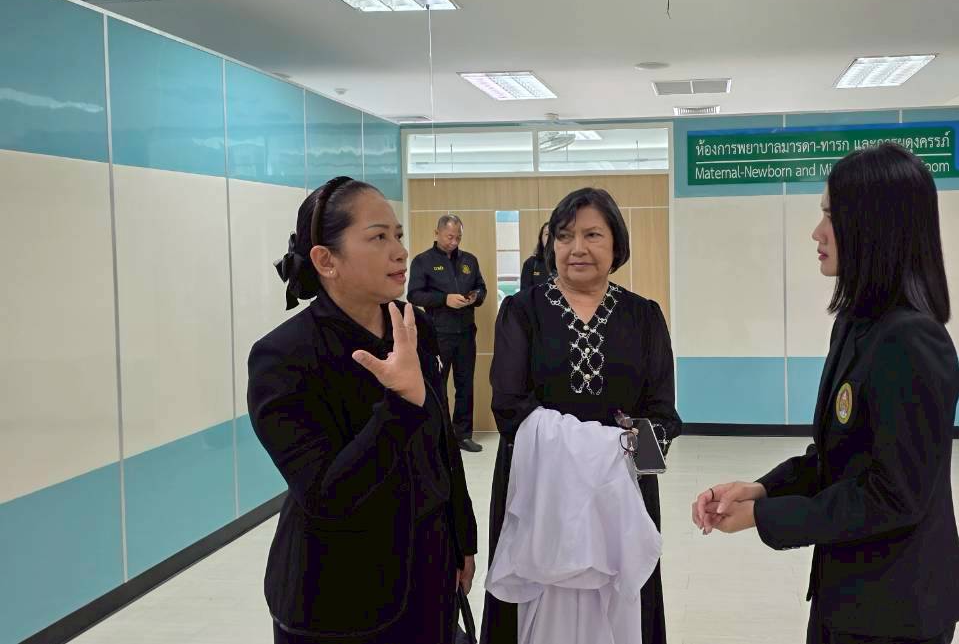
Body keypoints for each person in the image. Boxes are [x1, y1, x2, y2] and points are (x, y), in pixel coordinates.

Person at [691, 144, 959, 644]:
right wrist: (761, 490)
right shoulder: (857, 325)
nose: (817, 232)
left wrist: (765, 518)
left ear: (874, 227)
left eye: (831, 217)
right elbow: (838, 458)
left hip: (897, 609)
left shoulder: (910, 340)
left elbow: (893, 495)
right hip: (848, 591)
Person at [247, 176, 478, 644]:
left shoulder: (413, 326)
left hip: (429, 573)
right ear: (325, 260)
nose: (400, 252)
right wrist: (400, 404)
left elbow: (441, 449)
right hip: (338, 596)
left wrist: (462, 537)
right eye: (378, 237)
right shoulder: (284, 357)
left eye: (398, 235)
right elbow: (326, 496)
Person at [480, 188, 681, 644]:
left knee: (626, 609)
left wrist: (628, 453)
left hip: (620, 495)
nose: (577, 248)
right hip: (537, 491)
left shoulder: (644, 317)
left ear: (616, 243)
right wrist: (595, 446)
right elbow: (509, 407)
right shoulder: (522, 311)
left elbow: (663, 415)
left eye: (593, 235)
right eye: (564, 235)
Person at [408, 214, 487, 453]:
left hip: (466, 334)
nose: (454, 242)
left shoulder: (469, 260)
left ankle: (463, 435)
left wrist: (475, 297)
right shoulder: (423, 261)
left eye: (458, 237)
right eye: (449, 237)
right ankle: (439, 436)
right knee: (437, 386)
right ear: (437, 233)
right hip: (438, 335)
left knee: (465, 386)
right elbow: (414, 295)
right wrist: (444, 299)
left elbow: (481, 288)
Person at [519, 222, 550, 291]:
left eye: (553, 234)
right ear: (541, 238)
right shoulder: (531, 263)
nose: (550, 238)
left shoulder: (568, 263)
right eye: (547, 234)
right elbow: (524, 293)